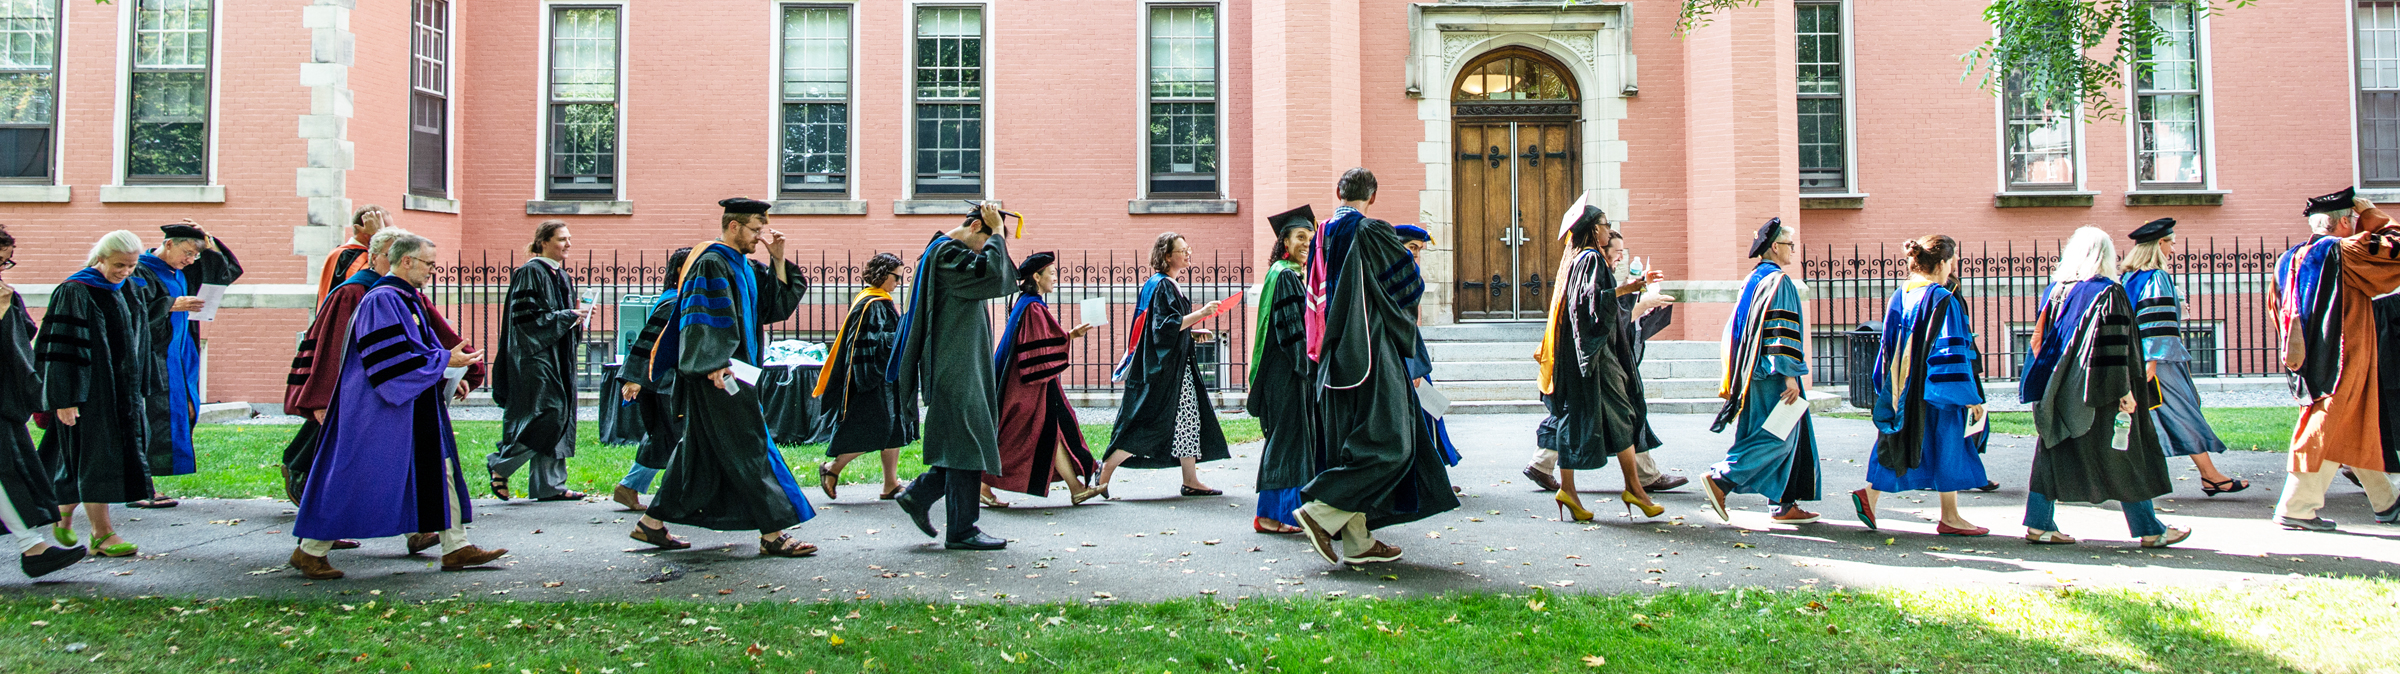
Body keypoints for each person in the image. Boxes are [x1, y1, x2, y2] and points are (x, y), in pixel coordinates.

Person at [288, 232, 506, 579]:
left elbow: (420, 351)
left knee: (440, 469)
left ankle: (456, 547)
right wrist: (443, 361)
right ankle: (310, 550)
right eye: (429, 264)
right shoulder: (382, 300)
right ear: (406, 261)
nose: (433, 271)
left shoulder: (408, 299)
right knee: (357, 476)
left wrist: (450, 369)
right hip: (377, 409)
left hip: (412, 404)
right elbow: (389, 362)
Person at [634, 198, 818, 558]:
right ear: (733, 226)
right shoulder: (711, 263)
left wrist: (778, 259)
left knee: (698, 451)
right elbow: (702, 319)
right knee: (750, 444)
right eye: (754, 229)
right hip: (719, 374)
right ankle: (773, 533)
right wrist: (714, 362)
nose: (759, 237)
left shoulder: (743, 266)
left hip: (738, 372)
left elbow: (773, 308)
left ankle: (650, 524)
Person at [1293, 167, 1459, 565]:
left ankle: (1358, 541)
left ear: (1338, 191)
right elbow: (1409, 286)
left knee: (1349, 444)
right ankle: (1322, 512)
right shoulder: (1371, 231)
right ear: (1373, 197)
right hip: (1369, 353)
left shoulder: (1322, 234)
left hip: (1331, 359)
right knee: (1394, 443)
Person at [2016, 227, 2189, 548]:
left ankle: (2039, 524)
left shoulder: (2056, 290)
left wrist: (2048, 388)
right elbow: (2114, 350)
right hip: (2099, 392)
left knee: (2053, 451)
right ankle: (2151, 529)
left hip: (2058, 389)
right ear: (2107, 255)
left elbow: (2038, 342)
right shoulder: (2109, 292)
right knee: (2123, 455)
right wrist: (2124, 392)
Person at [890, 202, 1018, 551]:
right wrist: (998, 232)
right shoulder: (947, 253)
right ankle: (961, 529)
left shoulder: (946, 253)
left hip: (962, 363)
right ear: (976, 226)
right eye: (987, 237)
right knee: (967, 442)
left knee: (965, 441)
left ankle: (920, 496)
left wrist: (996, 236)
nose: (989, 248)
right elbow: (995, 276)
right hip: (955, 365)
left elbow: (1002, 273)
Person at [2276, 189, 2400, 530]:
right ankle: (2297, 507)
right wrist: (2373, 215)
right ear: (2344, 222)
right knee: (2324, 425)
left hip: (2305, 358)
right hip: (2345, 355)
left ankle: (2387, 502)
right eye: (2354, 221)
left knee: (2355, 423)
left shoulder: (2288, 259)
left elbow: (2277, 310)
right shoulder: (2344, 251)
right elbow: (2396, 248)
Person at [1524, 228, 1682, 493]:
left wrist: (1635, 290)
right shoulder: (1589, 263)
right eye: (1617, 251)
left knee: (1588, 412)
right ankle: (1639, 481)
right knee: (1619, 412)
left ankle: (1555, 475)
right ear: (1602, 246)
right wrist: (1642, 304)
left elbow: (1608, 304)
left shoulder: (1595, 269)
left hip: (1595, 359)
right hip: (1592, 360)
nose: (1621, 256)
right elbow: (1601, 318)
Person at [1852, 234, 1990, 536]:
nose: (1951, 267)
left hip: (1904, 389)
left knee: (1902, 440)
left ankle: (1871, 497)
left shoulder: (1901, 295)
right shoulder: (1944, 299)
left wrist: (1890, 389)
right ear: (1941, 264)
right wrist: (1969, 396)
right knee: (1949, 446)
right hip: (1937, 391)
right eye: (1950, 261)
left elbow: (1887, 348)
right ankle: (1950, 517)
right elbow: (1949, 352)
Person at [1535, 199, 1661, 522]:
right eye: (1605, 223)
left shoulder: (1577, 258)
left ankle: (1572, 491)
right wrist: (1624, 290)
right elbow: (1592, 303)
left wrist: (1627, 288)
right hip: (1598, 353)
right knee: (1622, 412)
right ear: (1594, 229)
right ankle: (1633, 487)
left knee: (1575, 415)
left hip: (1581, 351)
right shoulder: (1591, 258)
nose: (1609, 228)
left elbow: (1585, 301)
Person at [36, 230, 154, 558]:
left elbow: (140, 338)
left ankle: (63, 513)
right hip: (91, 392)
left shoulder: (129, 287)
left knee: (93, 460)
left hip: (123, 393)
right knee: (97, 460)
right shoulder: (75, 291)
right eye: (120, 264)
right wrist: (64, 398)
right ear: (100, 258)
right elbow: (59, 348)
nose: (126, 271)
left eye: (132, 265)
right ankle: (102, 535)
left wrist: (143, 384)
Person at [1701, 217, 1823, 525]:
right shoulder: (1779, 281)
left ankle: (1782, 503)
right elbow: (1781, 332)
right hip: (1773, 375)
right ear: (1775, 247)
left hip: (1751, 371)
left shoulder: (1753, 278)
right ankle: (1721, 480)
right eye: (1790, 245)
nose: (1793, 250)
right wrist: (1791, 375)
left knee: (1778, 435)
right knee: (1778, 436)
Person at [1096, 232, 1235, 497]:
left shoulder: (1161, 284)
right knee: (1151, 424)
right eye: (1182, 250)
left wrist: (1192, 331)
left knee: (1187, 418)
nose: (1187, 253)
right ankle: (1105, 469)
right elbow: (1165, 326)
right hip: (1164, 372)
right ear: (1167, 255)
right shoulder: (1163, 286)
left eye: (1188, 248)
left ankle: (1190, 479)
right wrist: (1202, 313)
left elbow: (1157, 328)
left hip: (1176, 368)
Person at [2118, 218, 2245, 496]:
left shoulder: (2128, 278)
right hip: (2159, 362)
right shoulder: (2156, 276)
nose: (2173, 250)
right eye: (2170, 243)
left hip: (2136, 357)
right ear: (2158, 245)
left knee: (2155, 416)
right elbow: (2155, 319)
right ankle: (2210, 476)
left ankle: (2209, 476)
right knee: (2182, 411)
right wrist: (2152, 359)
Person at [282, 226, 405, 511]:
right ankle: (315, 529)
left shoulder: (393, 292)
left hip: (378, 385)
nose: (399, 261)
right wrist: (322, 398)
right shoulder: (354, 291)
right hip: (350, 385)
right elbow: (331, 349)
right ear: (373, 257)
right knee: (334, 449)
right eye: (391, 255)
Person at [124, 220, 242, 508]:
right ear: (168, 244)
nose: (190, 260)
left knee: (187, 410)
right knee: (152, 417)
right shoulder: (140, 270)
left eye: (194, 255)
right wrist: (171, 305)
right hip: (153, 354)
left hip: (181, 351)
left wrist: (208, 238)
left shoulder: (181, 271)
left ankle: (146, 482)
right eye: (187, 252)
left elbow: (225, 273)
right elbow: (132, 311)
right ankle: (141, 488)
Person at [979, 251, 1106, 505]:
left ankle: (1076, 488)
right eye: (1051, 273)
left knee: (1049, 431)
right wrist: (1067, 338)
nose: (1055, 278)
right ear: (1036, 277)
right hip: (1027, 385)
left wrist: (1069, 336)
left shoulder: (1026, 303)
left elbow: (1039, 342)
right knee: (1016, 436)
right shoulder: (1034, 307)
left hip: (1025, 381)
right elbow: (1037, 348)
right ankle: (981, 484)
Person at [0, 227, 88, 577]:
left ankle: (32, 548)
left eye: (5, 262)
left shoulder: (8, 296)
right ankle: (32, 548)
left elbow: (24, 340)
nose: (3, 270)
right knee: (6, 472)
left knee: (7, 472)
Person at [487, 221, 593, 503]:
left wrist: (575, 318)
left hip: (558, 355)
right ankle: (501, 463)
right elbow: (525, 321)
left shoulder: (562, 276)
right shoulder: (529, 273)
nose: (568, 244)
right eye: (561, 239)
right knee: (550, 413)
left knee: (561, 412)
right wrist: (566, 317)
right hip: (535, 358)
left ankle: (550, 484)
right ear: (543, 242)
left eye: (569, 238)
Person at [812, 252, 915, 502]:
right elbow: (872, 344)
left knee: (894, 429)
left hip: (886, 379)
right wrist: (902, 332)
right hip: (873, 380)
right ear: (883, 274)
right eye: (896, 277)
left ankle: (890, 484)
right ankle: (832, 468)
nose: (898, 283)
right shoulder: (873, 304)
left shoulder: (877, 300)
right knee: (875, 428)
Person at [1249, 206, 1318, 534]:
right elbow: (1293, 332)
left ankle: (1287, 512)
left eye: (1310, 237)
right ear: (1285, 241)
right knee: (1286, 440)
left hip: (1287, 372)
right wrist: (1309, 369)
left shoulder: (1284, 272)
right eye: (1300, 237)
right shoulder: (1288, 276)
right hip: (1288, 372)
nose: (1307, 242)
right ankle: (1271, 515)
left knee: (1289, 439)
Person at [612, 247, 693, 511]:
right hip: (663, 384)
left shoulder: (683, 298)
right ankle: (633, 487)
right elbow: (650, 339)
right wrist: (635, 377)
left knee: (666, 437)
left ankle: (630, 487)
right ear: (680, 269)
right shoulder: (674, 301)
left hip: (668, 382)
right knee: (670, 437)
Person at [316, 205, 386, 300]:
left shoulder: (336, 252)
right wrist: (377, 236)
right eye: (384, 231)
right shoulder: (352, 257)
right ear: (366, 232)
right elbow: (382, 281)